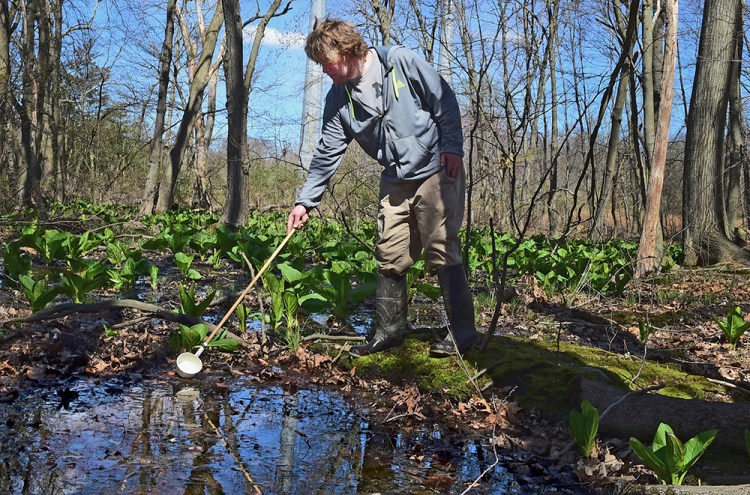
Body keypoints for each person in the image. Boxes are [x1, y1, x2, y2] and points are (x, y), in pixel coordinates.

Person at [287, 18, 477, 358]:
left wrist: (452, 146)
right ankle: (389, 332)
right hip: (394, 176)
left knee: (441, 247)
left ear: (345, 52)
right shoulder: (338, 97)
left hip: (436, 166)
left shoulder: (399, 62)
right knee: (390, 252)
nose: (323, 69)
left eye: (325, 62)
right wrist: (305, 202)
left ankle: (463, 334)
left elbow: (443, 99)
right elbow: (328, 150)